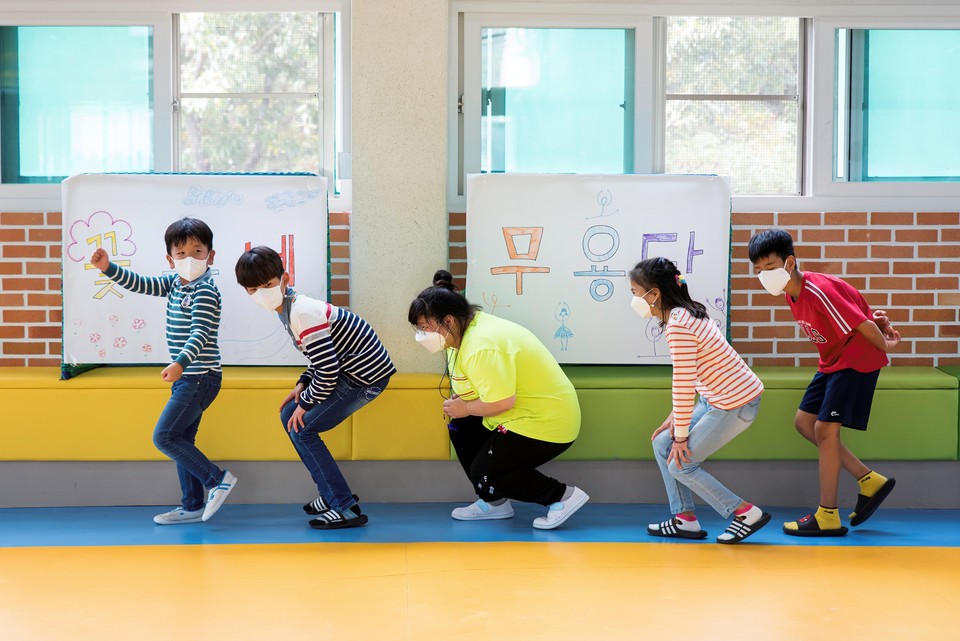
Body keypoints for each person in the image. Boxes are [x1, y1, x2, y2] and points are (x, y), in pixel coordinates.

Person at [748, 228, 900, 537]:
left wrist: (887, 344)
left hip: (855, 360)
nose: (763, 275)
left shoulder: (817, 290)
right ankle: (869, 480)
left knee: (824, 429)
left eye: (769, 267)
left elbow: (863, 323)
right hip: (832, 361)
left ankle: (828, 514)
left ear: (789, 263)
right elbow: (858, 309)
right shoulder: (791, 293)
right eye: (758, 270)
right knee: (805, 422)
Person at [408, 270, 588, 530]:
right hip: (514, 415)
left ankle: (562, 496)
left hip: (546, 422)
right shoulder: (457, 337)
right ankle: (494, 503)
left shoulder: (482, 345)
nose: (421, 334)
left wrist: (466, 407)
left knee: (485, 472)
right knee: (461, 427)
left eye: (425, 327)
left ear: (447, 320)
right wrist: (462, 406)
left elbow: (503, 402)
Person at [235, 246, 395, 529]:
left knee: (302, 427)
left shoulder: (301, 312)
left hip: (364, 378)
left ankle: (344, 507)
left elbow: (330, 370)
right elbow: (322, 358)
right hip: (348, 371)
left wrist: (307, 403)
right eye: (252, 289)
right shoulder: (288, 307)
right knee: (289, 418)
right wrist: (303, 384)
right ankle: (330, 493)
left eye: (268, 285)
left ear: (284, 279)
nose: (261, 293)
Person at [90, 218, 236, 525]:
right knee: (182, 438)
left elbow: (200, 333)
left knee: (165, 437)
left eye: (198, 252)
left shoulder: (206, 291)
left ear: (211, 256)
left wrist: (180, 363)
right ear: (170, 259)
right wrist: (109, 268)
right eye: (181, 254)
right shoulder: (173, 283)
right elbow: (141, 283)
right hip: (190, 376)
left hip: (199, 375)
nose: (190, 259)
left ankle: (217, 479)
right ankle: (193, 505)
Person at [630, 257, 770, 544]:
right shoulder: (684, 313)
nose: (633, 301)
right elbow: (693, 375)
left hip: (735, 403)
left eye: (635, 293)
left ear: (653, 294)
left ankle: (745, 513)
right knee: (661, 443)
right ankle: (685, 519)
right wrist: (674, 421)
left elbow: (682, 381)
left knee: (680, 463)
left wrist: (681, 437)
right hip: (716, 398)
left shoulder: (678, 324)